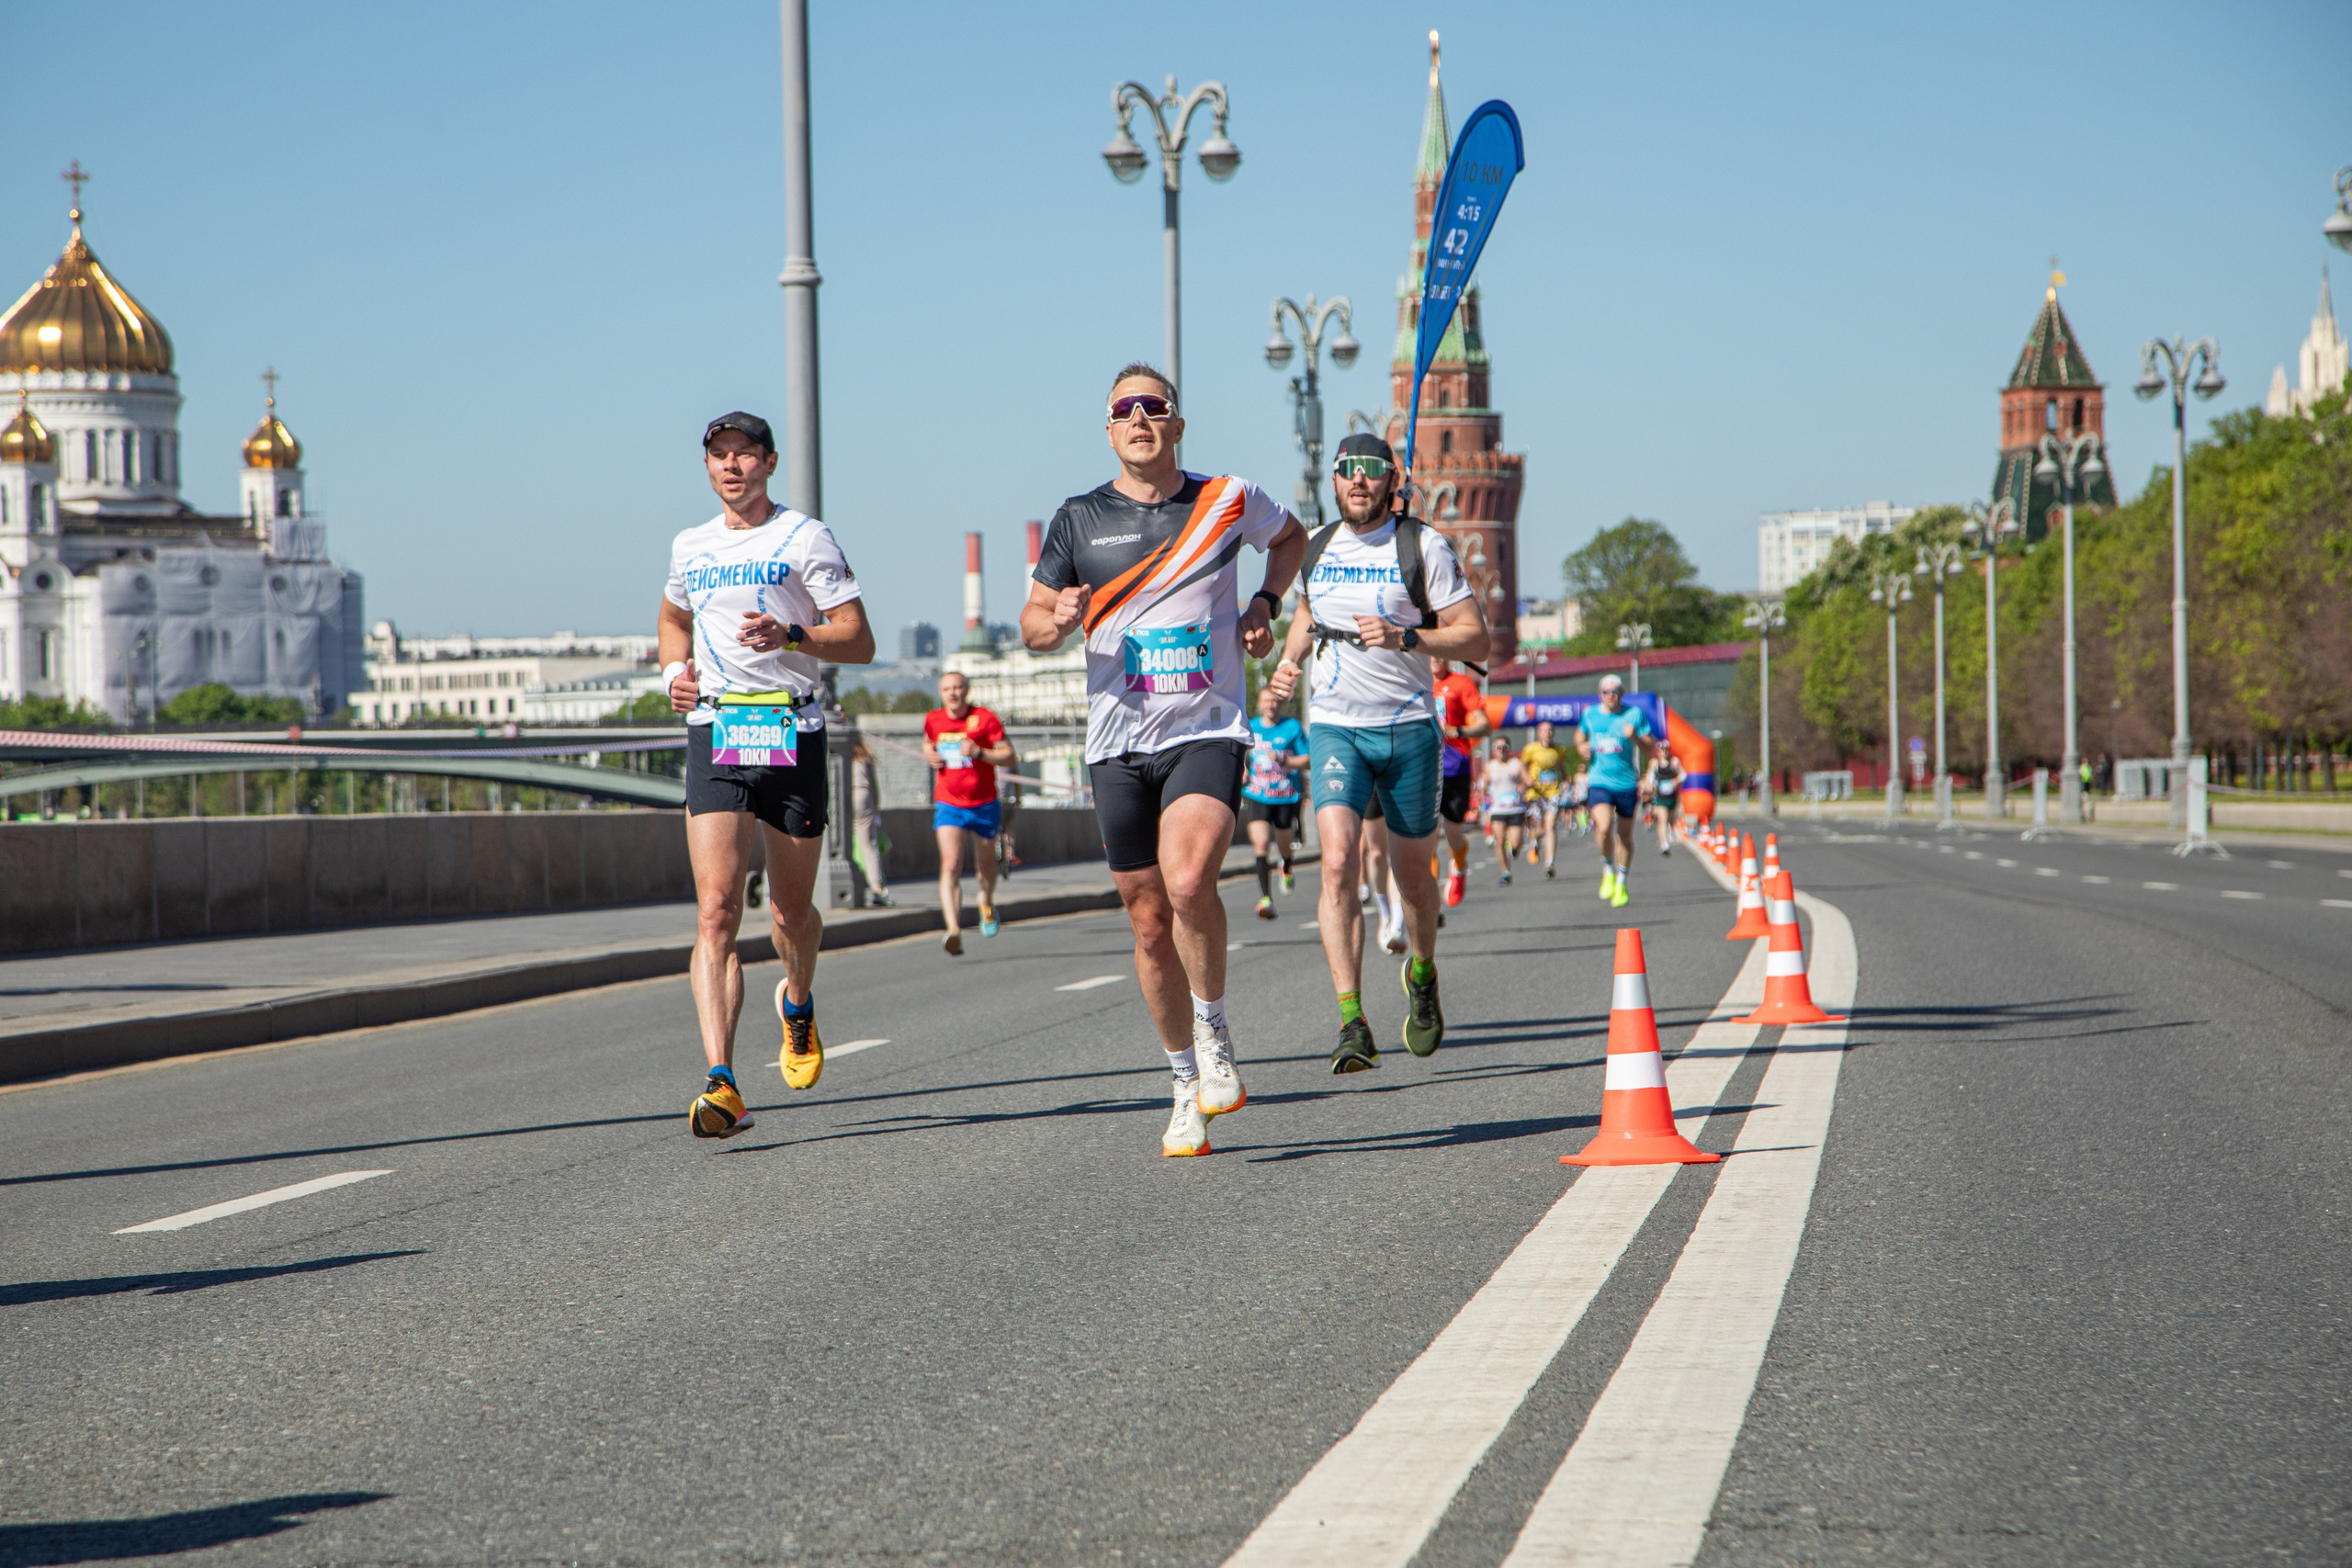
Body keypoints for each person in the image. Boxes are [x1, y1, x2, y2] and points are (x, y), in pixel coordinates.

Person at [1022, 364, 1306, 1156]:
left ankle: (1214, 1031)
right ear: (1108, 430)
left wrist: (1264, 603)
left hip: (1205, 728)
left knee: (1187, 882)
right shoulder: (1079, 519)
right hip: (1116, 741)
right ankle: (1183, 1081)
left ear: (1177, 424)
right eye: (1124, 410)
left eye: (1155, 407)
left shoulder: (1227, 500)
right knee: (1149, 924)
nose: (1140, 418)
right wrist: (1059, 615)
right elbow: (1033, 624)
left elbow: (1291, 541)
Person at [661, 411, 875, 1140]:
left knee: (789, 913)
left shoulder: (804, 536)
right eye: (719, 456)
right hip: (717, 729)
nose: (731, 468)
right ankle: (721, 1080)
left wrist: (793, 633)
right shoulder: (691, 545)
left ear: (769, 462)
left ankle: (800, 998)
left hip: (792, 727)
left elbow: (859, 637)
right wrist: (672, 674)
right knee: (717, 911)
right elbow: (670, 616)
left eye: (745, 456)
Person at [1266, 431, 1489, 1074]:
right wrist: (1287, 665)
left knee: (1413, 878)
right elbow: (1308, 613)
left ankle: (1422, 973)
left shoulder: (1423, 546)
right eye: (1347, 471)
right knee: (1336, 862)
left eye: (1370, 471)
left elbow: (1476, 635)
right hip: (1336, 726)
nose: (1358, 481)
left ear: (1391, 480)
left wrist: (1407, 635)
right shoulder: (1317, 546)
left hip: (1408, 728)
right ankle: (1351, 1021)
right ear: (1333, 480)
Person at [923, 671, 1012, 954]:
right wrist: (929, 752)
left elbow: (1009, 755)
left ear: (967, 690)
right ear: (940, 693)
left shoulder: (985, 718)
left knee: (985, 867)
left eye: (958, 687)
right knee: (950, 864)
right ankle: (953, 929)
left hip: (984, 802)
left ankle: (986, 901)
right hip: (949, 803)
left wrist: (979, 752)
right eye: (947, 688)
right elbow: (928, 740)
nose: (953, 693)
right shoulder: (933, 719)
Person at [1574, 673, 1664, 908]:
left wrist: (1633, 735)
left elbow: (1649, 749)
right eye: (1606, 692)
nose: (1610, 696)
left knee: (1625, 835)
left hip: (1626, 783)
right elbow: (1579, 735)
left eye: (1615, 692)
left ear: (1621, 694)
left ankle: (1621, 880)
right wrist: (1581, 746)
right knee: (1603, 828)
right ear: (1600, 694)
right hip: (1599, 781)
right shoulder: (1590, 714)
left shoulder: (1634, 714)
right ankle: (1607, 869)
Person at [1242, 684, 1308, 920]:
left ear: (1280, 703)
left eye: (1274, 701)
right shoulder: (1251, 727)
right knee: (1260, 845)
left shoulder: (1291, 728)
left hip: (1286, 795)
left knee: (1283, 845)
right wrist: (1241, 769)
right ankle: (1266, 899)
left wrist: (1284, 759)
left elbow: (1308, 759)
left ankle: (1287, 867)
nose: (1270, 705)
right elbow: (1239, 753)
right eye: (1266, 701)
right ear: (1259, 704)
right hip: (1257, 794)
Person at [1434, 660, 1487, 906]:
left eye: (1441, 653)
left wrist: (1459, 731)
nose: (1435, 658)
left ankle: (1459, 866)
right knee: (1425, 836)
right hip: (1422, 766)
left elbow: (1484, 725)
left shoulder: (1461, 683)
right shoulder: (1413, 680)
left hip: (1455, 767)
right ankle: (1429, 896)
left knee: (1454, 832)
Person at [847, 733, 891, 905]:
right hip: (863, 795)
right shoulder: (864, 756)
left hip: (843, 794)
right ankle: (877, 889)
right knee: (869, 845)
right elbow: (874, 787)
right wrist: (877, 812)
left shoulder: (834, 752)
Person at [1521, 719, 1567, 877]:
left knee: (1551, 825)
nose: (1547, 733)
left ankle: (1549, 863)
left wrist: (1566, 778)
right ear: (1539, 733)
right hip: (1536, 794)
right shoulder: (1531, 749)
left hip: (1553, 792)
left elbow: (1561, 765)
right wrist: (1526, 781)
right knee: (1540, 828)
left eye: (1550, 730)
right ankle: (1535, 842)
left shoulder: (1559, 749)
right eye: (1544, 730)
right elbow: (1521, 766)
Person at [1483, 735, 1530, 886]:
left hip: (1515, 808)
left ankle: (1515, 850)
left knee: (1516, 843)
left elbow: (1527, 779)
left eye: (1504, 747)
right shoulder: (1490, 766)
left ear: (1509, 749)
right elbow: (1484, 785)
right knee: (1500, 841)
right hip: (1498, 809)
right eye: (1497, 747)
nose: (1501, 750)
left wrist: (1525, 786)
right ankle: (1505, 872)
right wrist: (1483, 797)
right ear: (1494, 750)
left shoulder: (1516, 763)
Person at [1647, 745, 1683, 854]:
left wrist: (1675, 781)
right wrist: (1652, 786)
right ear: (1658, 751)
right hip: (1660, 797)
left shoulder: (1674, 762)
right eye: (1662, 750)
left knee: (1671, 819)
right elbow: (1650, 777)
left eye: (1666, 749)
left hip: (1671, 797)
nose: (1665, 752)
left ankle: (1670, 831)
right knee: (1662, 819)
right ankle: (1664, 844)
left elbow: (1683, 774)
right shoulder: (1654, 763)